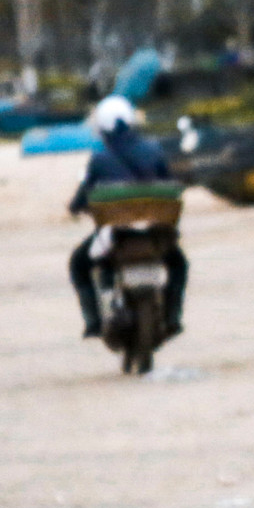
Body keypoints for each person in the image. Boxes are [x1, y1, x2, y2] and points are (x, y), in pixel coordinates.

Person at [67, 95, 188, 337]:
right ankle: (173, 316)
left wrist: (75, 207)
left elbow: (83, 197)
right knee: (180, 265)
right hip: (155, 233)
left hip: (116, 234)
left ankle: (93, 322)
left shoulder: (99, 160)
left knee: (79, 264)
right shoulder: (154, 151)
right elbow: (171, 186)